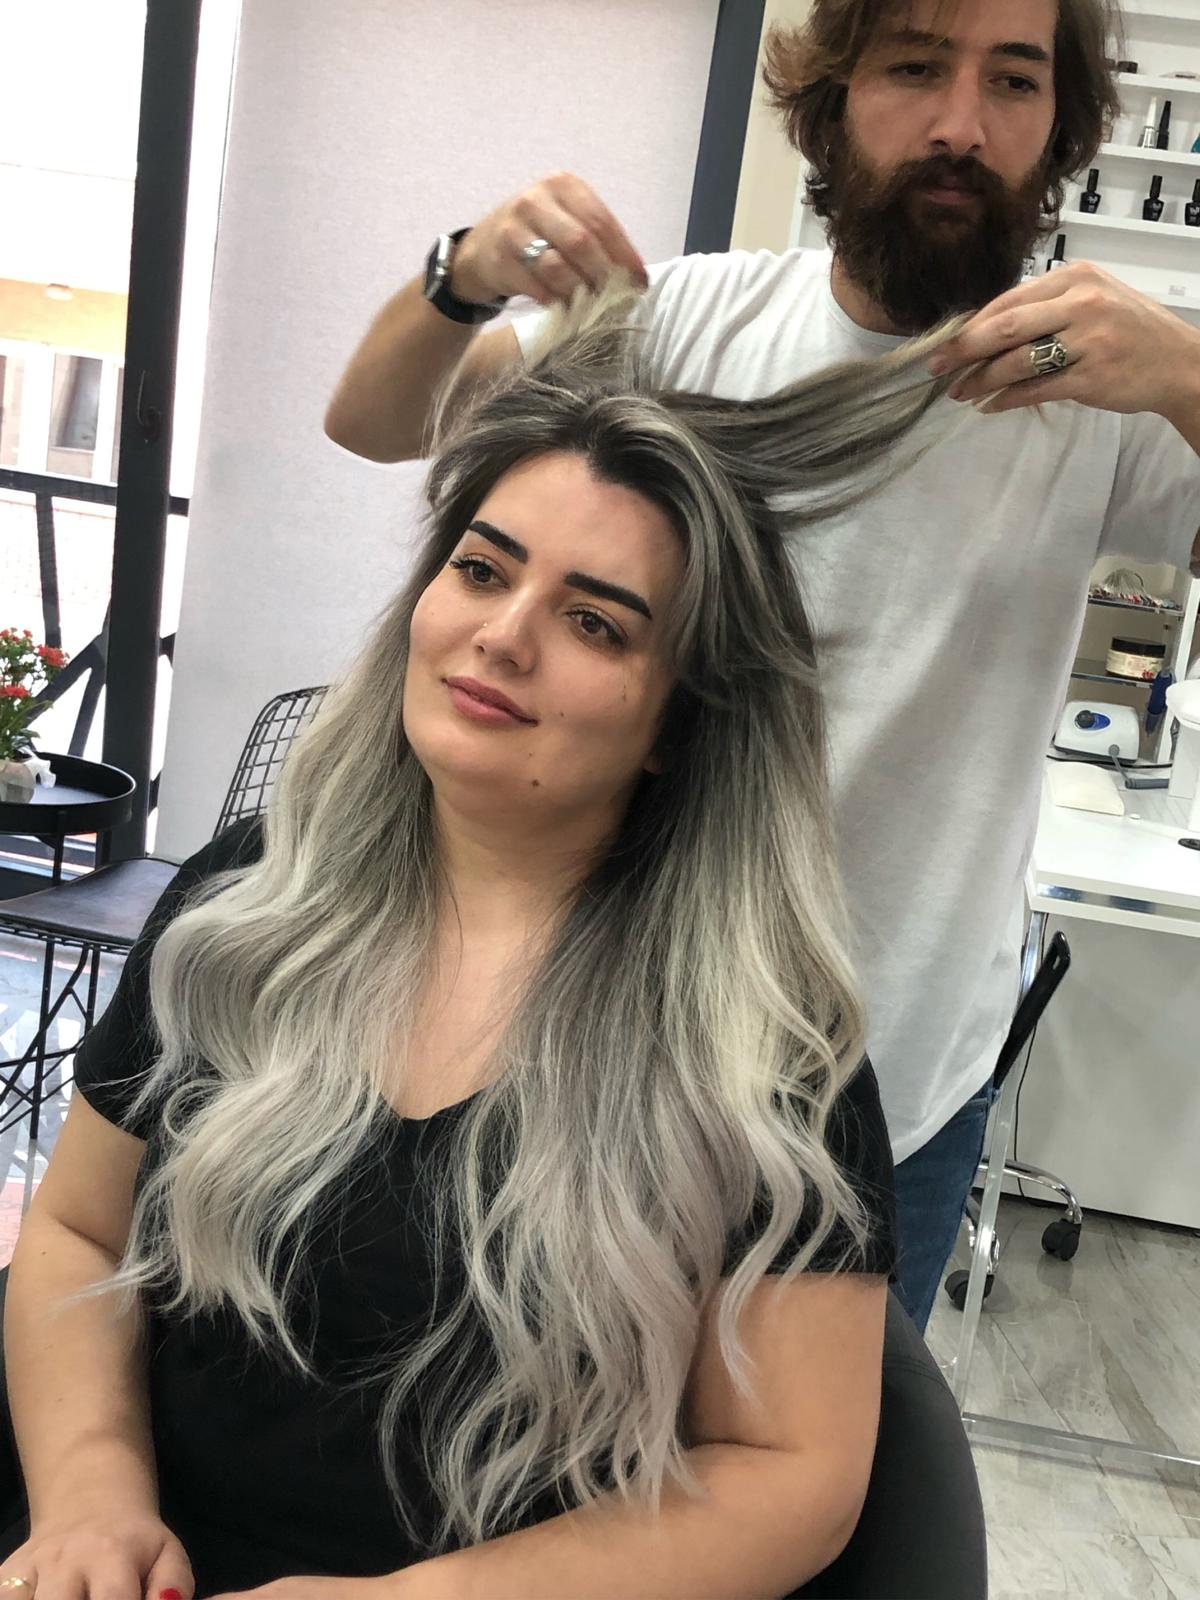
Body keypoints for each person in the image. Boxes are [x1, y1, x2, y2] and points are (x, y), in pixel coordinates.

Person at [1, 284, 966, 1598]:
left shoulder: (762, 1048)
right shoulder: (246, 900)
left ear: (680, 720)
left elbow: (791, 1471)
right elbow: (76, 1232)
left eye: (595, 621)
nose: (503, 637)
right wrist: (91, 1501)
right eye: (482, 569)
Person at [324, 0, 1200, 1332]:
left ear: (1060, 126)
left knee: (813, 1464)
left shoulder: (1098, 409)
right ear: (833, 100)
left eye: (1015, 82)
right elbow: (376, 420)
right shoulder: (685, 324)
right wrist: (462, 274)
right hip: (606, 1047)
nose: (962, 124)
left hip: (897, 1088)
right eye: (916, 67)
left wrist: (1188, 373)